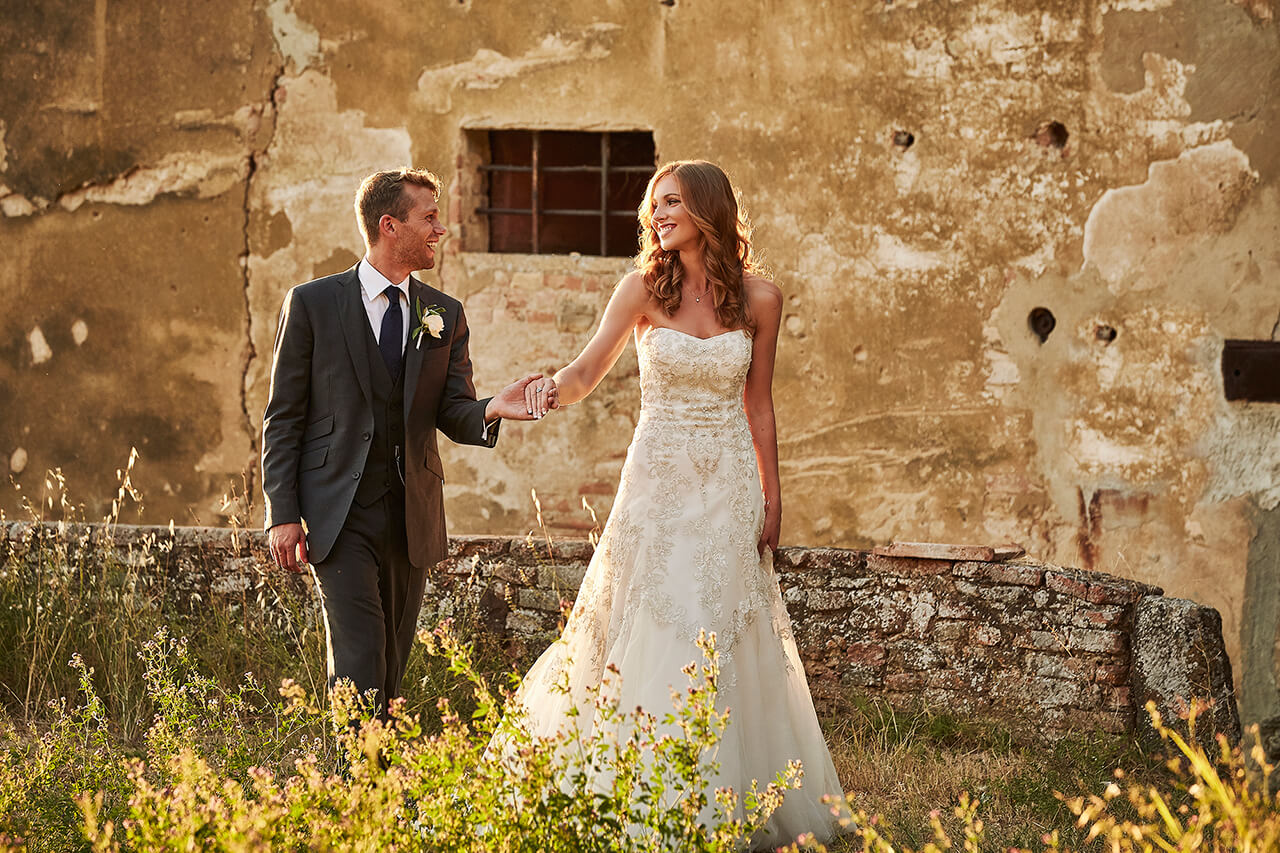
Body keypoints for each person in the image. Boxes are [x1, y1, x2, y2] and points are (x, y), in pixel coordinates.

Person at [514, 160, 842, 845]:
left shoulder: (761, 299)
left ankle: (717, 795)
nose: (656, 214)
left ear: (707, 211)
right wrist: (547, 390)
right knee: (648, 619)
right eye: (653, 205)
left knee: (714, 624)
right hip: (656, 485)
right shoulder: (639, 290)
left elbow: (759, 405)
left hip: (726, 484)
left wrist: (771, 495)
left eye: (671, 203)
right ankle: (633, 789)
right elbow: (584, 371)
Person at [261, 168, 553, 715]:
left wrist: (493, 407)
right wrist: (283, 513)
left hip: (411, 514)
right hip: (337, 513)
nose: (440, 230)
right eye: (430, 218)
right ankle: (355, 791)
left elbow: (452, 411)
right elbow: (283, 417)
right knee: (359, 660)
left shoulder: (444, 314)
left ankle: (380, 791)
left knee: (392, 667)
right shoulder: (312, 304)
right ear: (389, 225)